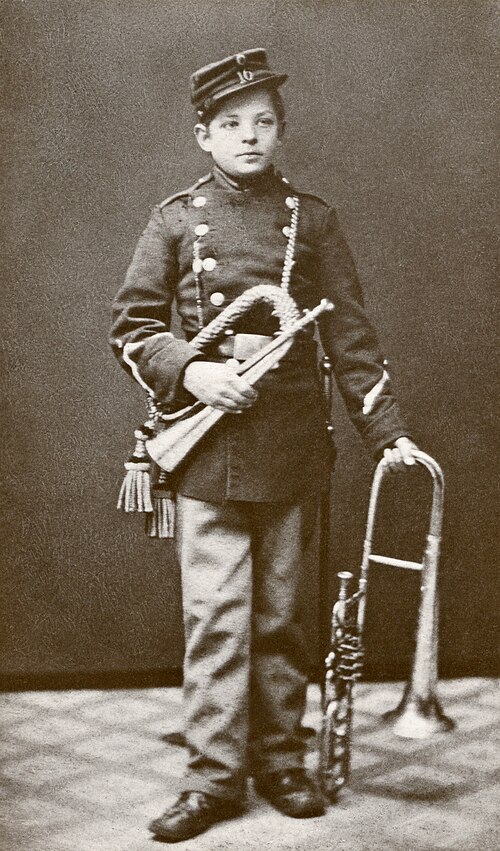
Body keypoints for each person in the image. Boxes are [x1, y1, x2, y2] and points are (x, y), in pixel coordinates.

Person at [110, 48, 418, 843]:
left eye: (264, 123)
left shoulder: (312, 219)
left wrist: (388, 433)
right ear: (202, 136)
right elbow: (134, 328)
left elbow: (349, 330)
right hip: (210, 449)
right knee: (217, 619)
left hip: (289, 449)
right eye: (231, 125)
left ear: (281, 132)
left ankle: (281, 758)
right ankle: (212, 778)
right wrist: (198, 371)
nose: (249, 137)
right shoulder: (177, 218)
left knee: (284, 614)